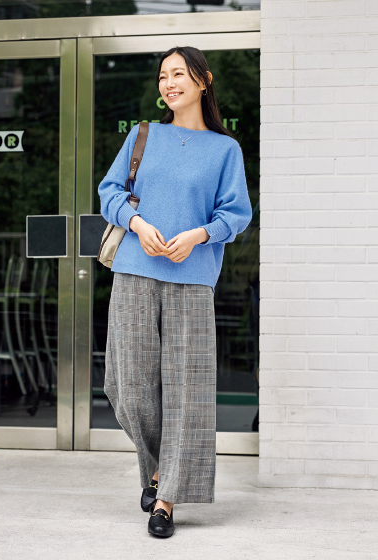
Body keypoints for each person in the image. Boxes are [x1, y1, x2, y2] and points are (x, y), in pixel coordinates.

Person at [98, 46, 252, 538]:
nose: (169, 83)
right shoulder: (143, 134)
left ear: (203, 81)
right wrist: (137, 224)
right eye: (163, 75)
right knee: (126, 384)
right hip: (134, 269)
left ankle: (165, 499)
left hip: (192, 278)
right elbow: (109, 192)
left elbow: (236, 214)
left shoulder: (225, 150)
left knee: (188, 390)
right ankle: (160, 467)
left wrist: (198, 235)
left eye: (179, 74)